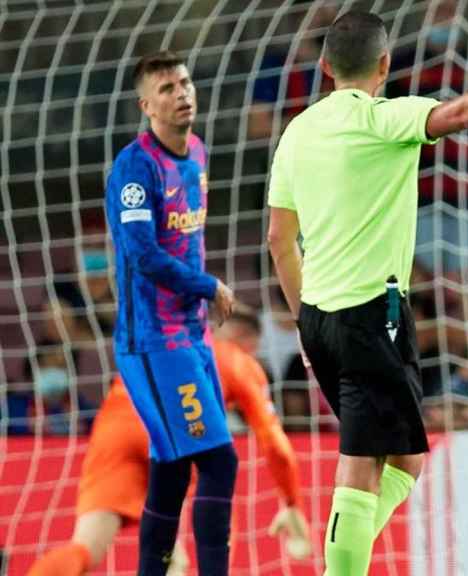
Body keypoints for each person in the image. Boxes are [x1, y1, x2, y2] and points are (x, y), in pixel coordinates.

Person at [265, 10, 468, 575]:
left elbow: (279, 241)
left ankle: (342, 559)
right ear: (384, 65)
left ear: (325, 67)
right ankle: (340, 569)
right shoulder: (384, 119)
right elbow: (461, 112)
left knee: (407, 456)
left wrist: (305, 320)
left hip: (324, 319)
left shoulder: (295, 133)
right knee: (361, 462)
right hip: (368, 316)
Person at [27, 309, 311, 576]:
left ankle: (170, 550)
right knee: (219, 489)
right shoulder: (235, 357)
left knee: (87, 547)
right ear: (248, 340)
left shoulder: (164, 340)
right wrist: (291, 502)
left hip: (115, 428)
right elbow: (274, 442)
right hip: (177, 428)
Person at [104, 51, 237, 575]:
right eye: (166, 89)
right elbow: (141, 253)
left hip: (192, 338)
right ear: (146, 105)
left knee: (173, 468)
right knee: (219, 461)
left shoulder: (197, 153)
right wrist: (208, 286)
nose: (181, 94)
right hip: (155, 341)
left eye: (184, 83)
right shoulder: (135, 168)